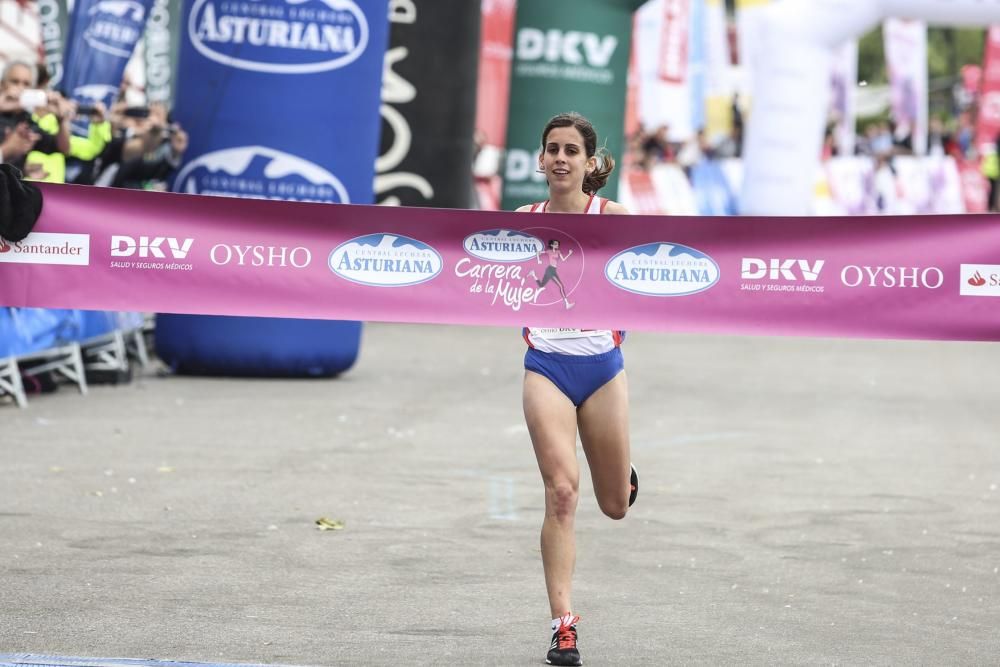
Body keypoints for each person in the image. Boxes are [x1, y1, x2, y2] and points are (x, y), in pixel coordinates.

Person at [515, 112, 637, 667]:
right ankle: (564, 626)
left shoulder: (614, 217)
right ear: (540, 161)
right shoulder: (521, 221)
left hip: (603, 368)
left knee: (612, 506)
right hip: (546, 366)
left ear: (590, 164)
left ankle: (622, 473)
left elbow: (654, 275)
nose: (561, 158)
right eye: (552, 149)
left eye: (571, 150)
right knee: (562, 492)